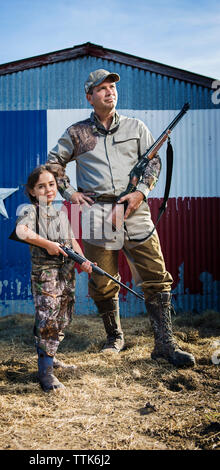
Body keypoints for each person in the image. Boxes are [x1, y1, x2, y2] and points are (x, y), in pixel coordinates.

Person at [46, 69, 195, 367]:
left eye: (112, 87)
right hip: (98, 216)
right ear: (90, 96)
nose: (109, 92)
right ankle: (114, 338)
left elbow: (153, 163)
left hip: (135, 212)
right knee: (102, 281)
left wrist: (140, 192)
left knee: (156, 276)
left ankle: (165, 344)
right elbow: (53, 164)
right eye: (101, 89)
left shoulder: (136, 127)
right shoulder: (77, 133)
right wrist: (70, 194)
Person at [15, 164, 92, 392]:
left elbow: (72, 241)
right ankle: (45, 372)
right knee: (48, 317)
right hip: (46, 274)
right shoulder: (31, 211)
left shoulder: (59, 213)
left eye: (51, 184)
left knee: (62, 317)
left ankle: (51, 356)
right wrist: (48, 244)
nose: (48, 189)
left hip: (66, 273)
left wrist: (84, 261)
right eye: (41, 186)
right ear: (31, 190)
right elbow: (22, 231)